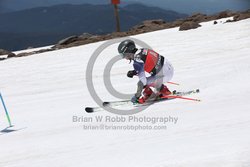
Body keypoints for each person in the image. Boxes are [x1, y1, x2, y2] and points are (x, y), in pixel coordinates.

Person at [118, 39, 174, 104]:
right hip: (169, 68)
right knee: (149, 80)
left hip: (165, 75)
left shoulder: (137, 61)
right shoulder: (143, 50)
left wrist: (137, 96)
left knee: (141, 83)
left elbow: (142, 81)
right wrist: (134, 72)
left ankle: (149, 95)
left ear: (128, 52)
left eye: (124, 55)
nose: (124, 57)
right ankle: (163, 90)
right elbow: (147, 63)